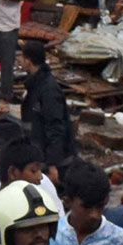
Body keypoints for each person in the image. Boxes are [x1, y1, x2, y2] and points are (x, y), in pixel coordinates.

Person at [19, 41, 76, 172]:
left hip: (54, 163)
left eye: (22, 57)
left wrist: (52, 164)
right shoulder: (35, 83)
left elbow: (55, 126)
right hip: (39, 153)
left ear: (28, 61)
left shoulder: (48, 90)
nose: (20, 60)